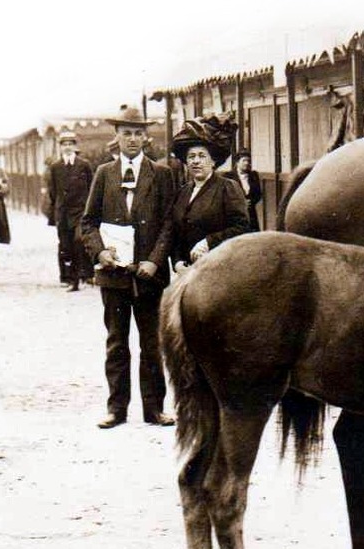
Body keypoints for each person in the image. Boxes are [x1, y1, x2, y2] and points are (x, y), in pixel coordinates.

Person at [79, 106, 178, 429]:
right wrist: (99, 253)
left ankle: (155, 409)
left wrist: (154, 259)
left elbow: (168, 224)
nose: (132, 139)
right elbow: (88, 222)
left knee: (152, 344)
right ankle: (116, 409)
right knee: (117, 342)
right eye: (126, 133)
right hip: (114, 277)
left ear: (146, 137)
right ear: (117, 137)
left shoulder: (161, 174)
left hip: (149, 276)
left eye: (138, 133)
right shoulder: (104, 174)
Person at [167, 117, 250, 275]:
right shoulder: (183, 192)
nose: (196, 161)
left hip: (219, 270)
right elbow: (176, 233)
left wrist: (208, 242)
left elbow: (242, 228)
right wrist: (177, 262)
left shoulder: (227, 187)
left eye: (202, 156)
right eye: (191, 157)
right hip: (186, 272)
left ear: (213, 161)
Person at [45, 130, 94, 291]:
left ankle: (80, 277)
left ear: (75, 146)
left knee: (79, 241)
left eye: (70, 144)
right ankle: (70, 277)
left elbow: (91, 187)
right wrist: (55, 211)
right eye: (64, 144)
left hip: (80, 211)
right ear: (60, 147)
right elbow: (53, 192)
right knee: (66, 245)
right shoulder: (55, 167)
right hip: (63, 212)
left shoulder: (83, 165)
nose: (67, 147)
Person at [224, 149, 265, 232]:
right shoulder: (228, 177)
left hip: (251, 214)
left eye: (248, 161)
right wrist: (241, 203)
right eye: (244, 160)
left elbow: (258, 194)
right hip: (235, 214)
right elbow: (225, 196)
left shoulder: (254, 175)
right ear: (237, 162)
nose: (247, 163)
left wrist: (251, 201)